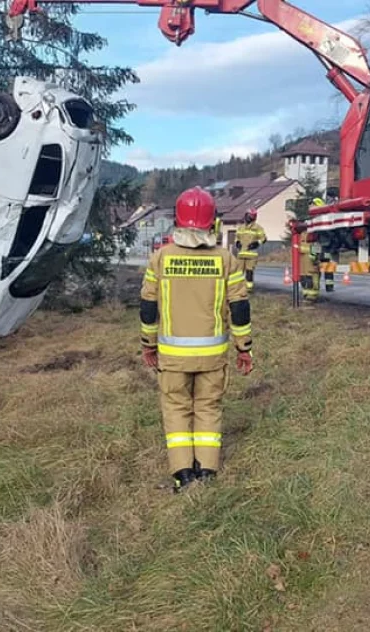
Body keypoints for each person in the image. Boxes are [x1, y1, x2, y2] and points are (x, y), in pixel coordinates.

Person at [140, 187, 254, 493]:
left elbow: (148, 308)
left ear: (176, 219)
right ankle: (207, 472)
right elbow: (240, 309)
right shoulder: (226, 259)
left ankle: (182, 474)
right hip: (213, 357)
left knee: (176, 409)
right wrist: (245, 350)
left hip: (172, 357)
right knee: (208, 408)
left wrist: (147, 344)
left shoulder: (160, 258)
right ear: (212, 221)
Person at [234, 208, 267, 292]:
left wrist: (257, 243)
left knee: (249, 272)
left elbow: (264, 238)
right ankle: (238, 288)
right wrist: (237, 242)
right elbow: (237, 237)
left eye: (251, 216)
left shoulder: (258, 228)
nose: (249, 218)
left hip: (251, 254)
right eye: (249, 215)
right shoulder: (241, 227)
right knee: (238, 273)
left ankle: (249, 288)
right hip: (241, 254)